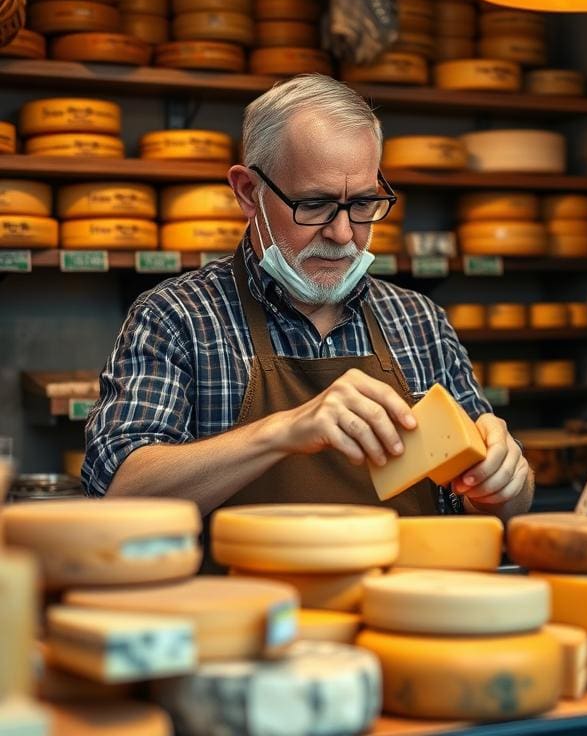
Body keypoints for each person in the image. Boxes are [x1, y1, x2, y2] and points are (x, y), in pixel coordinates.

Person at [82, 74, 533, 521]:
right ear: (248, 191)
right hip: (252, 594)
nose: (341, 234)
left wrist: (505, 482)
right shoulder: (176, 317)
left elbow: (493, 502)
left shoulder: (419, 321)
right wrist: (282, 431)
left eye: (361, 204)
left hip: (402, 591)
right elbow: (119, 493)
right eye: (314, 204)